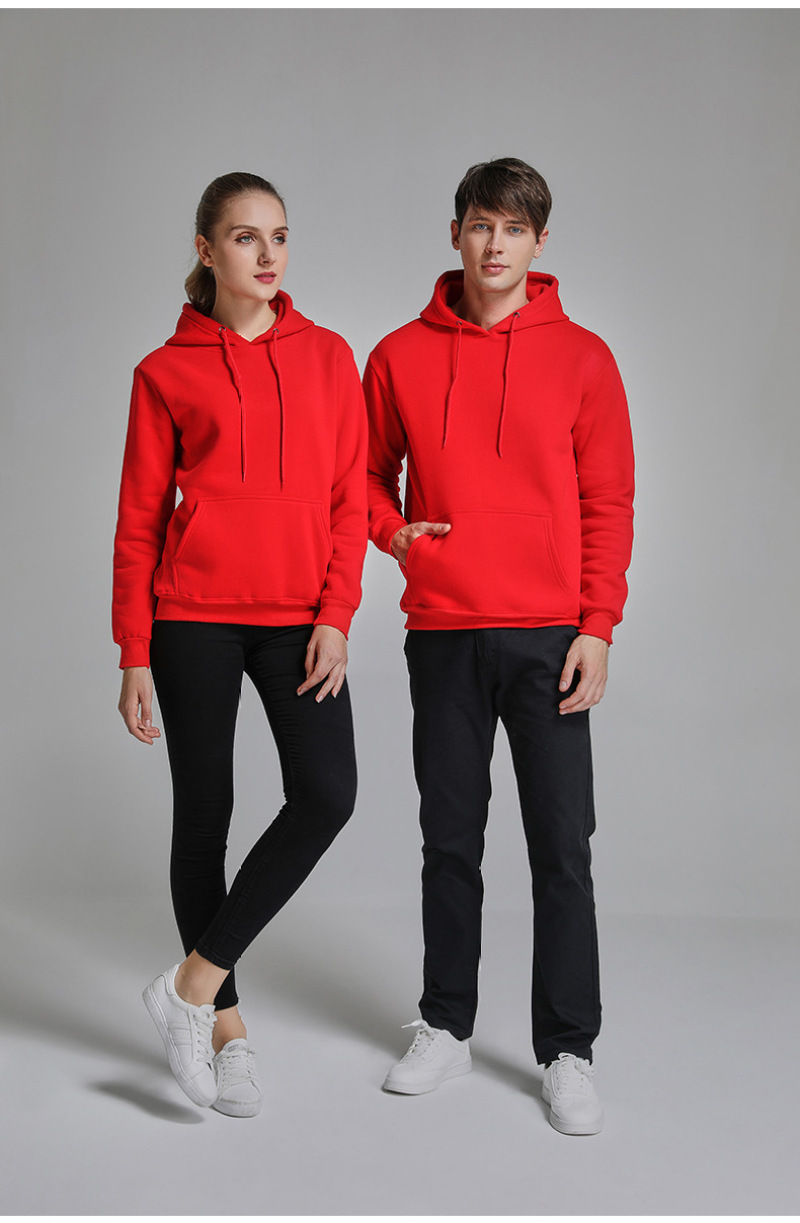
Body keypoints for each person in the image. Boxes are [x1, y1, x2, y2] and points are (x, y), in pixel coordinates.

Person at [363, 157, 634, 1135]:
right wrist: (393, 532)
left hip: (550, 634)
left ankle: (566, 1049)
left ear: (538, 242)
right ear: (455, 233)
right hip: (442, 632)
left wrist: (596, 625)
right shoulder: (398, 355)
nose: (494, 244)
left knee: (561, 845)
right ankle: (445, 1024)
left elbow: (608, 502)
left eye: (513, 229)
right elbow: (363, 476)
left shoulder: (584, 359)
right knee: (449, 838)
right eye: (480, 224)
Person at [113, 172, 367, 1117]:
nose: (268, 255)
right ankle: (225, 1031)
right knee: (204, 816)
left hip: (300, 617)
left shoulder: (329, 357)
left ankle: (187, 985)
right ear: (206, 248)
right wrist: (133, 650)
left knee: (327, 793)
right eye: (246, 237)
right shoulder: (165, 372)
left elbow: (348, 500)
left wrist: (337, 613)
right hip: (193, 618)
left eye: (280, 236)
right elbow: (139, 520)